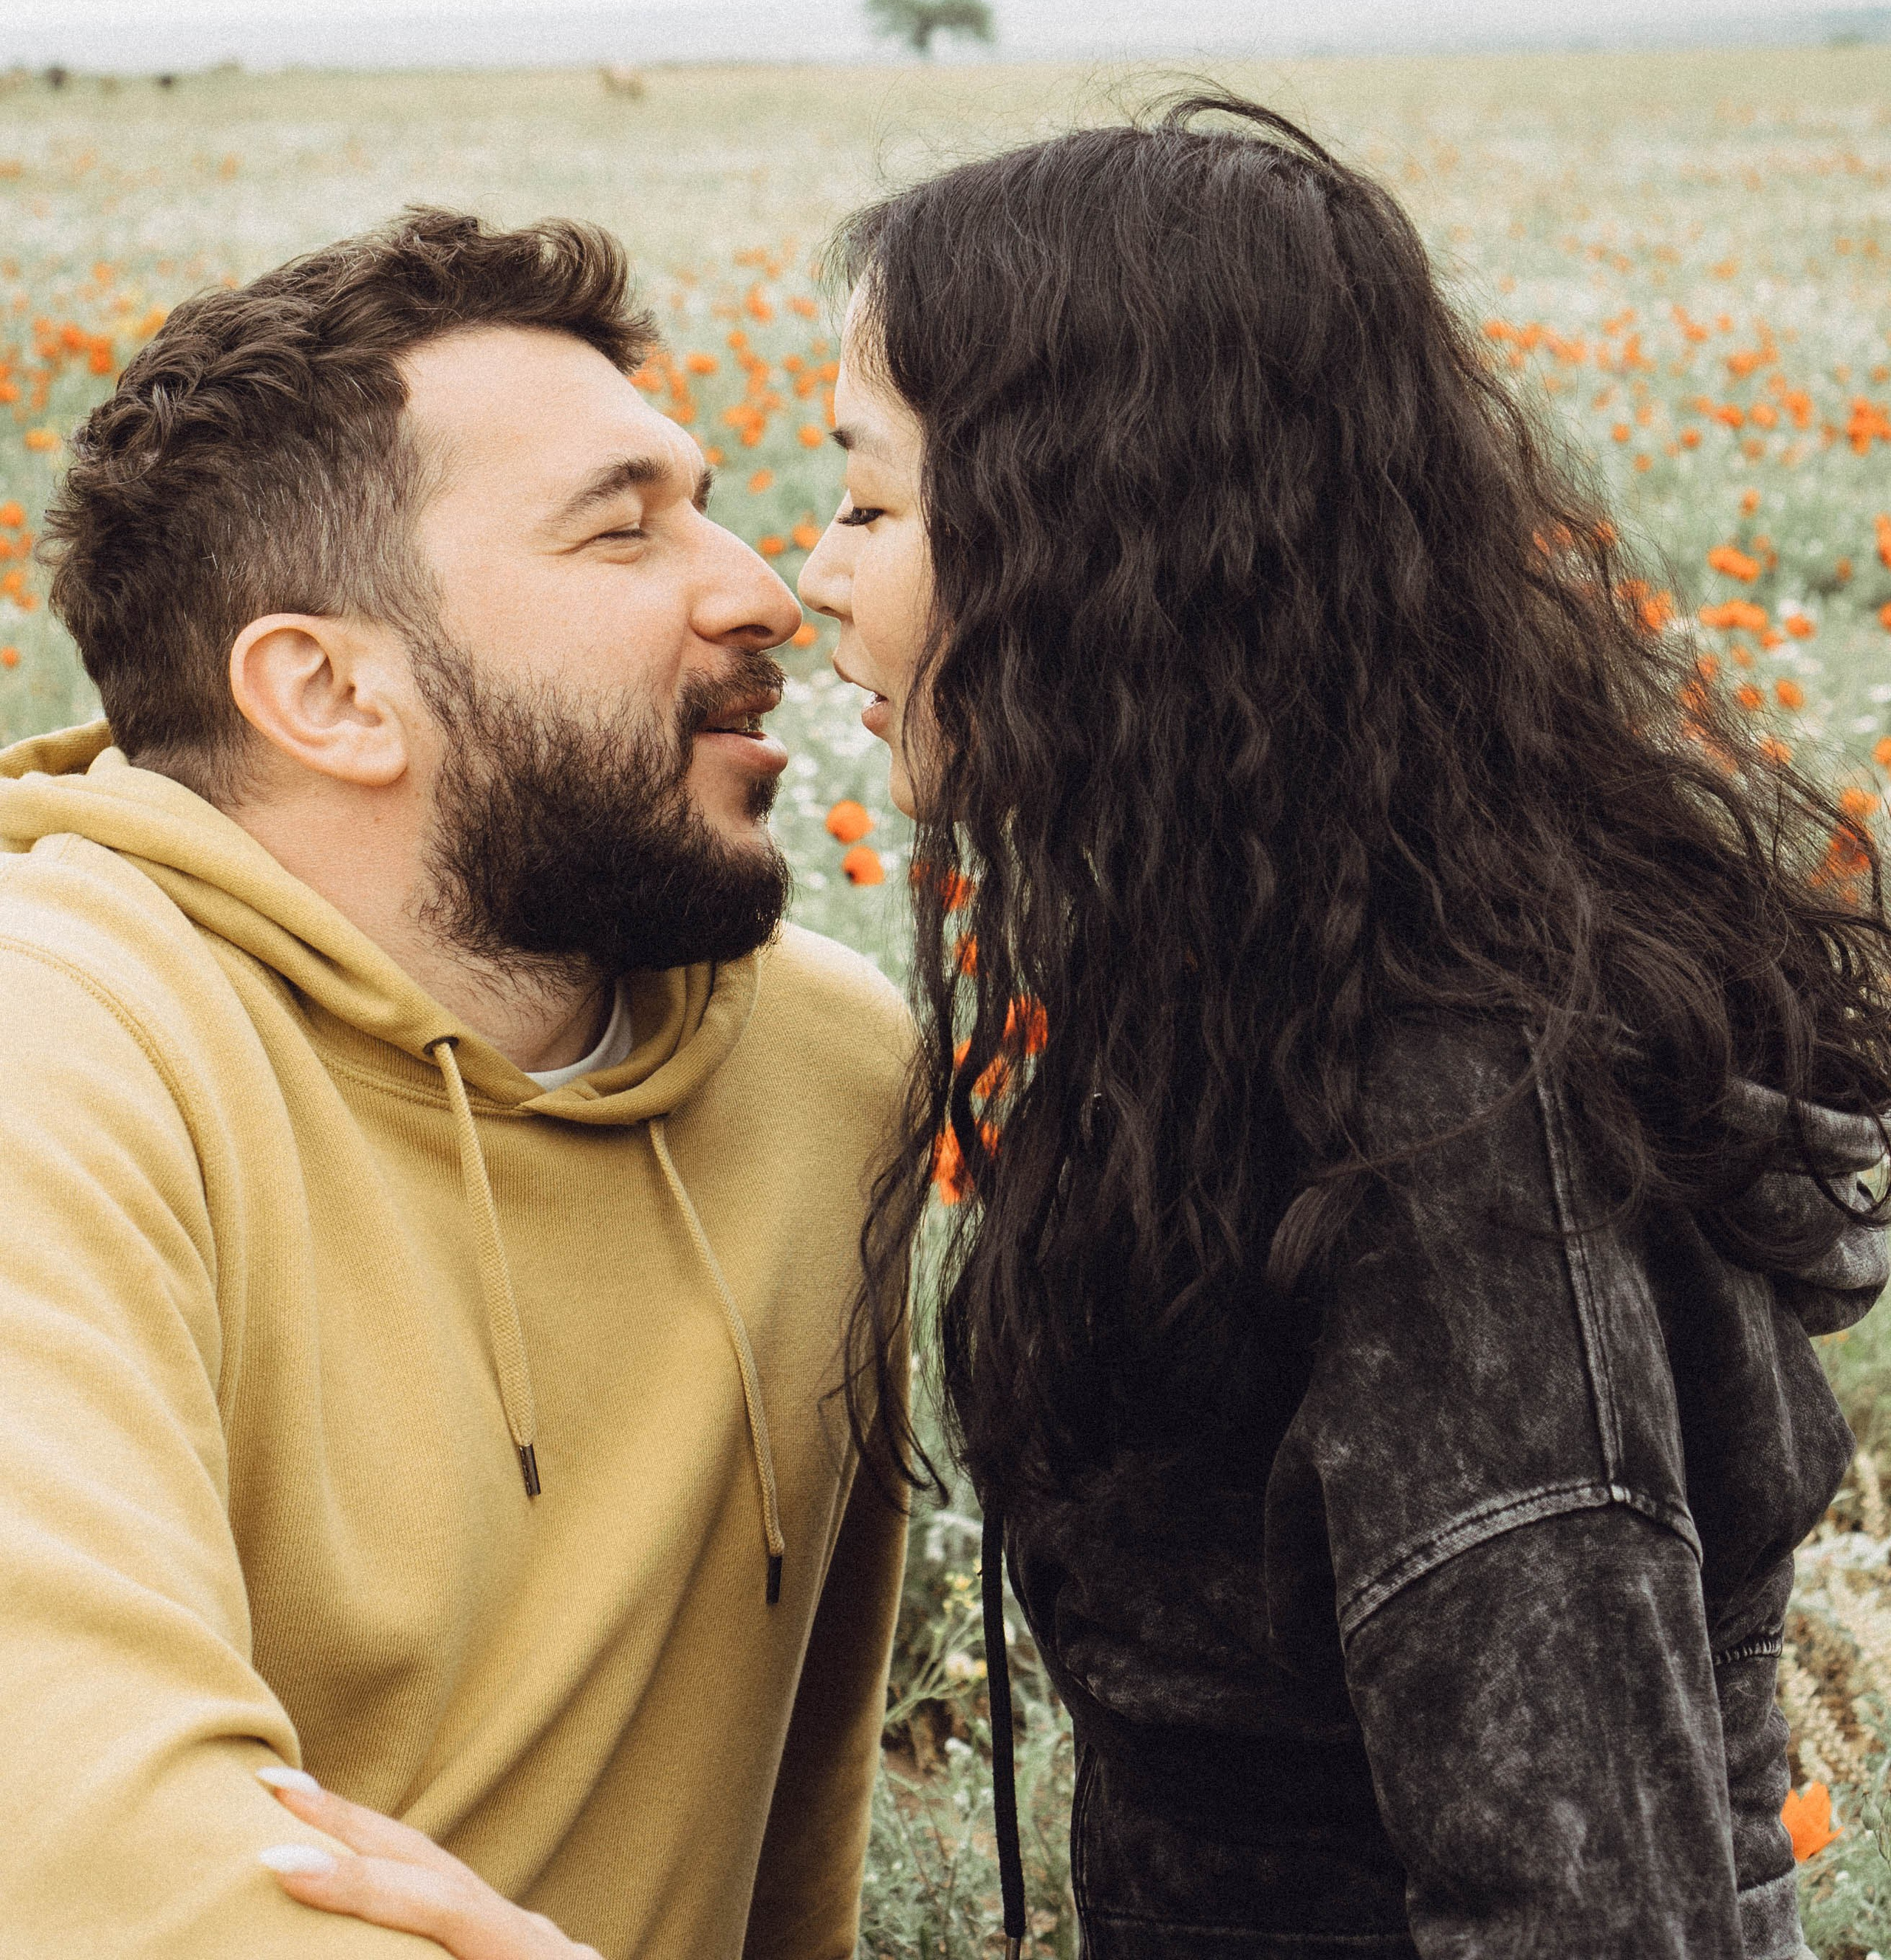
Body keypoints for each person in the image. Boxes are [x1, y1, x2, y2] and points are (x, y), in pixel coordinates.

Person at [788, 97, 1891, 1960]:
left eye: (869, 501)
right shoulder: (1250, 996)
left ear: (1102, 547)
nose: (810, 573)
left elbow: (1581, 1914)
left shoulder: (1444, 1137)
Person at [0, 209, 911, 1960]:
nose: (758, 586)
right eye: (620, 532)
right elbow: (95, 1872)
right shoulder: (67, 1050)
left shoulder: (822, 1069)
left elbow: (799, 1860)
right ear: (330, 692)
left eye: (706, 501)